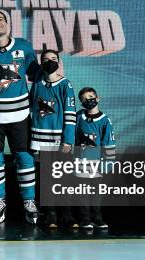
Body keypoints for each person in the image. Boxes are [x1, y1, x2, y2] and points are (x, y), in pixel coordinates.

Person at [0, 10, 40, 224]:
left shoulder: (23, 46)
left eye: (1, 20)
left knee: (24, 157)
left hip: (21, 114)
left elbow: (35, 75)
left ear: (9, 24)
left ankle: (29, 202)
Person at [28, 49, 77, 228]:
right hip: (41, 139)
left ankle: (67, 215)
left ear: (59, 62)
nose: (50, 62)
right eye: (46, 59)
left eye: (53, 59)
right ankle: (50, 214)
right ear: (41, 63)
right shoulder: (38, 84)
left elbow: (71, 114)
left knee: (63, 178)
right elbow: (32, 107)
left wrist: (68, 140)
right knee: (46, 179)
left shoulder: (66, 85)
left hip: (60, 140)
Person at [75, 87, 116, 230]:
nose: (89, 100)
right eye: (84, 99)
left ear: (98, 98)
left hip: (97, 163)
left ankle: (97, 218)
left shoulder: (105, 121)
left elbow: (108, 143)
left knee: (96, 192)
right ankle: (85, 219)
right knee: (83, 192)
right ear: (81, 103)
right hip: (80, 162)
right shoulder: (79, 116)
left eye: (91, 97)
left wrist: (107, 165)